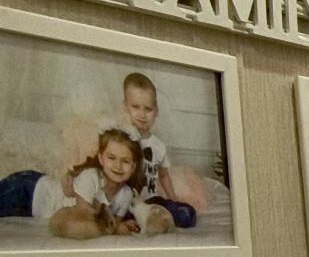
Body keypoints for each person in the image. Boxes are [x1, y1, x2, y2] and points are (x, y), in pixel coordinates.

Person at [0, 129, 172, 240]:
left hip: (34, 211)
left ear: (134, 166)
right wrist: (115, 228)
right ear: (101, 158)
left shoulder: (126, 194)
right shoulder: (90, 177)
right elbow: (83, 215)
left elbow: (111, 221)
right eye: (111, 158)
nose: (118, 166)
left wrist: (120, 226)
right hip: (30, 190)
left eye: (125, 161)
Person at [119, 71, 205, 225]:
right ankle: (136, 220)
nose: (142, 114)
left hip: (152, 199)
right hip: (128, 199)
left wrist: (173, 199)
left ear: (156, 110)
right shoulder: (122, 138)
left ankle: (150, 219)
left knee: (187, 214)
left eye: (148, 109)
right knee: (121, 211)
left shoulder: (158, 145)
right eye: (136, 107)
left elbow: (164, 176)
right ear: (126, 106)